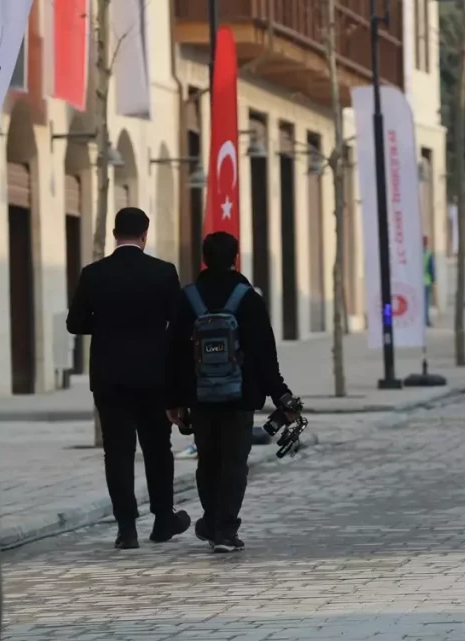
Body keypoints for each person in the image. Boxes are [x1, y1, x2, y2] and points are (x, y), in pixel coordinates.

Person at [66, 207, 191, 550]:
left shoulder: (93, 273)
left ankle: (126, 528)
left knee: (117, 451)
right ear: (145, 235)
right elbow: (178, 322)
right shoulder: (163, 272)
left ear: (113, 234)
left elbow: (74, 323)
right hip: (154, 375)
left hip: (110, 377)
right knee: (157, 448)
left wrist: (106, 325)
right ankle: (164, 519)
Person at [165, 231, 294, 553]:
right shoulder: (248, 298)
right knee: (235, 462)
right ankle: (225, 530)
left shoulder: (188, 298)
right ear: (236, 258)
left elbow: (174, 353)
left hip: (200, 396)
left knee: (207, 460)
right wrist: (282, 396)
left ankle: (211, 521)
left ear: (204, 259)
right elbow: (265, 353)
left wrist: (174, 400)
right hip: (240, 397)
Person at [423, 235, 435, 327]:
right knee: (426, 302)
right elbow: (432, 269)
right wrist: (433, 280)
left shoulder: (415, 254)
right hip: (426, 282)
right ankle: (426, 320)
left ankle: (421, 320)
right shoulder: (428, 254)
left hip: (418, 283)